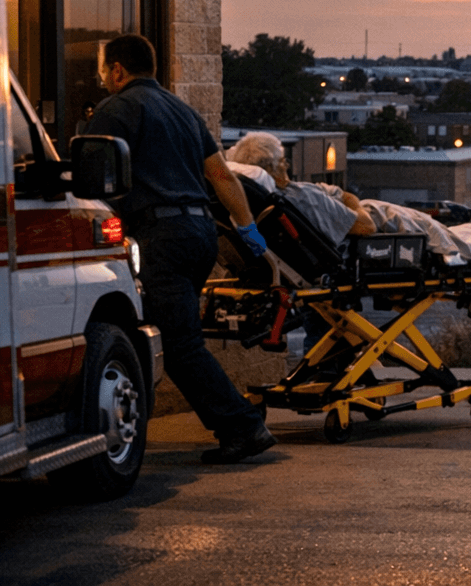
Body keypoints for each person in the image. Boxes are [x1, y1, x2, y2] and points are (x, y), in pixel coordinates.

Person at [86, 34, 277, 465]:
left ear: (117, 70)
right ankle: (235, 420)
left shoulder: (115, 111)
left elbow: (91, 179)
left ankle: (242, 426)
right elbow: (223, 178)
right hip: (199, 233)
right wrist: (250, 234)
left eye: (103, 71)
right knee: (177, 336)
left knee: (180, 342)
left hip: (161, 238)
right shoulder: (184, 112)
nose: (102, 79)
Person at [226, 131, 376, 243]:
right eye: (283, 161)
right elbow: (367, 226)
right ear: (272, 168)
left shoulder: (247, 202)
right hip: (372, 214)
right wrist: (353, 202)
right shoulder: (303, 197)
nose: (287, 165)